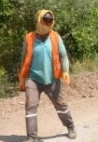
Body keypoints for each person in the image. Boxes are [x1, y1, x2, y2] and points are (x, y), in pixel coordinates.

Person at [19, 10, 77, 142]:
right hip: (33, 79)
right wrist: (22, 77)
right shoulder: (29, 38)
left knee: (61, 105)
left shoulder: (55, 37)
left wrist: (66, 71)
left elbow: (63, 56)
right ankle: (32, 138)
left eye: (51, 20)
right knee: (30, 106)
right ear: (40, 20)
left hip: (52, 79)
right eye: (46, 19)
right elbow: (23, 59)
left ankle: (70, 126)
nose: (49, 22)